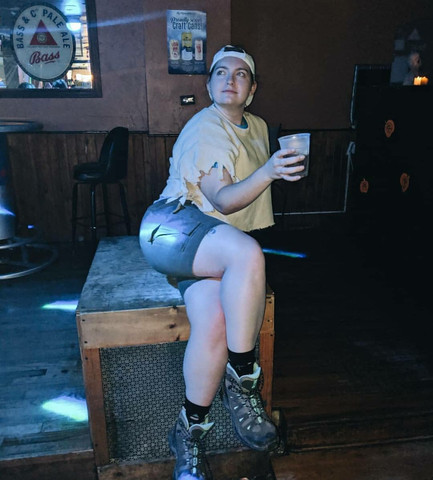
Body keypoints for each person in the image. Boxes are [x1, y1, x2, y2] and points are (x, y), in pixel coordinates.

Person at [139, 45, 305, 480]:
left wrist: (278, 170)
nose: (230, 79)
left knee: (213, 322)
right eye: (220, 73)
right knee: (247, 253)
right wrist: (270, 172)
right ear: (209, 84)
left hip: (207, 242)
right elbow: (224, 200)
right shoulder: (206, 126)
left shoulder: (259, 127)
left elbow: (247, 194)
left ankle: (187, 431)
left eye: (241, 74)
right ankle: (243, 377)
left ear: (252, 90)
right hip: (171, 227)